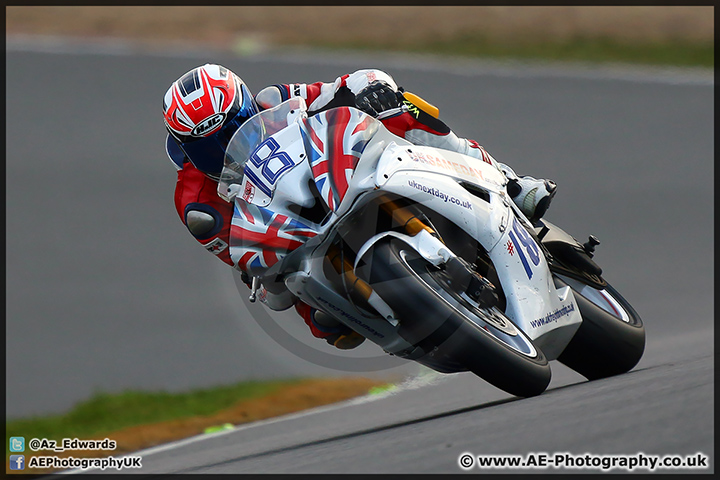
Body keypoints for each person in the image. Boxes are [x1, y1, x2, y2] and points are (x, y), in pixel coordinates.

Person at [163, 64, 557, 350]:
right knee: (329, 327)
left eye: (232, 127)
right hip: (294, 235)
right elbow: (247, 260)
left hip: (339, 175)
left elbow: (341, 88)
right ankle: (405, 318)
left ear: (249, 108)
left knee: (398, 106)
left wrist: (371, 89)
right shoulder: (195, 201)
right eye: (202, 146)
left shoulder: (277, 99)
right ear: (182, 150)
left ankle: (507, 179)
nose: (219, 149)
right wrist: (267, 277)